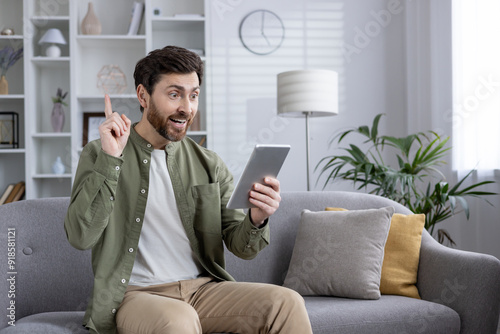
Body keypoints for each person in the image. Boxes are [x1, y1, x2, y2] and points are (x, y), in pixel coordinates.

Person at [64, 45, 313, 334]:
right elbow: (80, 236)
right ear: (143, 96)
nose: (187, 107)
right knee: (177, 320)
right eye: (174, 94)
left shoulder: (208, 163)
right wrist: (111, 160)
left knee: (286, 302)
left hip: (203, 291)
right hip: (136, 295)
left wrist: (257, 217)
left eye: (193, 95)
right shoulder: (101, 153)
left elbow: (242, 247)